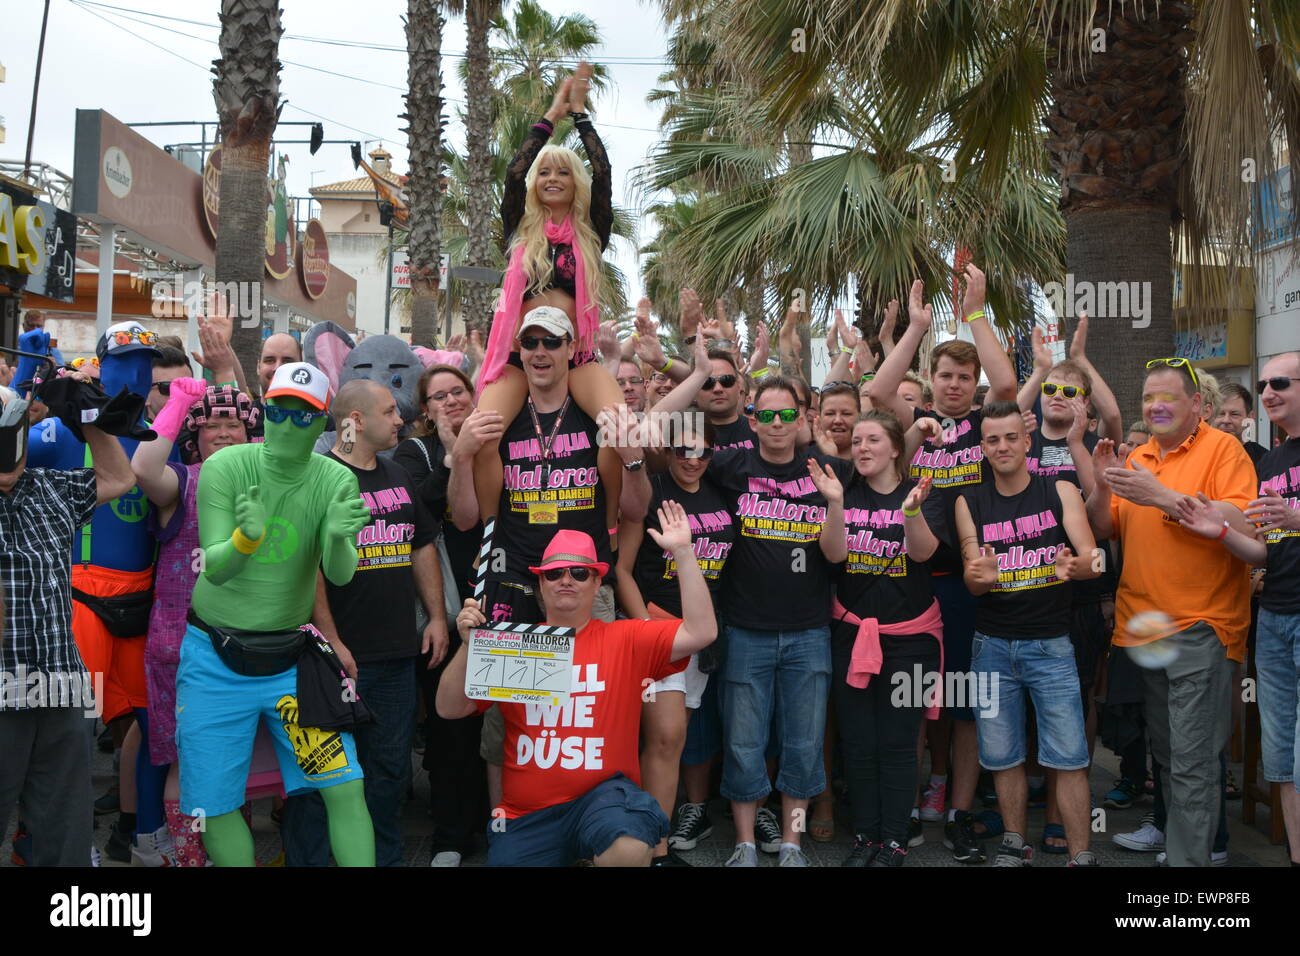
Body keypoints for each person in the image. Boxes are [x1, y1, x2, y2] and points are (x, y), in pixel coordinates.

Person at [176, 361, 375, 866]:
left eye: (305, 416)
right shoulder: (227, 467)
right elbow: (215, 570)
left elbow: (342, 572)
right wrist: (246, 537)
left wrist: (333, 536)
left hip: (291, 661)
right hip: (214, 658)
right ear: (265, 410)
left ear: (324, 420)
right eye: (279, 411)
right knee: (217, 805)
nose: (289, 424)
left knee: (345, 786)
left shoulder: (336, 479)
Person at [436, 522, 718, 867]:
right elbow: (448, 709)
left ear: (598, 582)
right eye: (554, 573)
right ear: (541, 582)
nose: (566, 580)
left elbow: (702, 631)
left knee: (629, 846)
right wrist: (469, 647)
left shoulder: (625, 639)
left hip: (605, 801)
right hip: (527, 814)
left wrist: (684, 553)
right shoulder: (513, 646)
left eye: (579, 572)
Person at [869, 265, 1017, 863]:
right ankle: (911, 799)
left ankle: (958, 811)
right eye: (945, 375)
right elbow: (878, 394)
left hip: (970, 587)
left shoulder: (986, 427)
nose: (955, 385)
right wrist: (917, 328)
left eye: (964, 376)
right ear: (930, 380)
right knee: (913, 698)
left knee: (964, 703)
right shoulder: (918, 426)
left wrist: (977, 311)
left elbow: (1008, 385)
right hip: (913, 582)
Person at [1086, 357, 1256, 867]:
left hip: (1202, 627)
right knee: (1169, 759)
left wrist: (1161, 495)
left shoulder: (1222, 449)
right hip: (1143, 631)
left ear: (1198, 405)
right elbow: (1104, 527)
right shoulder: (1138, 455)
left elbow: (1239, 519)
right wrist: (1100, 483)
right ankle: (1189, 855)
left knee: (1192, 762)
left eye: (1168, 398)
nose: (1155, 406)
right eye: (1147, 399)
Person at [279, 379, 450, 867]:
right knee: (319, 775)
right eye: (390, 412)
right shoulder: (316, 477)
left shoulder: (397, 475)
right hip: (329, 659)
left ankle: (383, 860)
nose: (401, 419)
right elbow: (307, 565)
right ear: (355, 421)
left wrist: (436, 616)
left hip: (396, 656)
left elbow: (420, 544)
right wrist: (331, 640)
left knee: (389, 770)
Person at [27, 322, 170, 866]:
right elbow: (6, 445)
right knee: (72, 731)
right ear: (103, 363)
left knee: (147, 722)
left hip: (143, 600)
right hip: (80, 597)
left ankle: (138, 831)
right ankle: (53, 842)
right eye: (125, 358)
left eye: (144, 360)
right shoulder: (62, 428)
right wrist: (29, 380)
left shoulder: (160, 430)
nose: (135, 370)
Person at [707, 374, 851, 867]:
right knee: (744, 743)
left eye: (787, 414)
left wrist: (834, 503)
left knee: (804, 744)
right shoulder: (728, 465)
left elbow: (836, 557)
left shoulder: (828, 469)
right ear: (751, 420)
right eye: (766, 414)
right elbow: (672, 459)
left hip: (810, 630)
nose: (776, 424)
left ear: (803, 418)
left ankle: (791, 842)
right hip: (745, 628)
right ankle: (745, 842)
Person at [472, 63, 625, 527]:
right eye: (545, 173)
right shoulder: (519, 232)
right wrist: (548, 119)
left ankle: (611, 526)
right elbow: (513, 176)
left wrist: (579, 117)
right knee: (481, 436)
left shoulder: (591, 234)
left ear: (574, 182)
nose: (551, 178)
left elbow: (603, 169)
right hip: (524, 354)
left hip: (575, 355)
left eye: (562, 172)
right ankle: (491, 530)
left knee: (618, 431)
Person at [955, 400, 1101, 866]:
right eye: (992, 439)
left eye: (1010, 437)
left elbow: (1093, 559)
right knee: (1002, 756)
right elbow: (971, 579)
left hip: (1051, 644)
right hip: (991, 645)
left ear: (1027, 441)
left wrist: (1074, 566)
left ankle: (1082, 855)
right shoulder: (969, 501)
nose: (1002, 446)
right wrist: (981, 574)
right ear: (982, 447)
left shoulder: (1060, 489)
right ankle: (1015, 845)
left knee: (1070, 756)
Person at [0, 385, 136, 866]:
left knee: (64, 833)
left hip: (59, 686)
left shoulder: (48, 488)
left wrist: (92, 419)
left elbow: (119, 478)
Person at [130, 369, 258, 866]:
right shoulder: (181, 481)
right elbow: (143, 469)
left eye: (234, 425)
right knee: (185, 754)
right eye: (211, 425)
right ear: (195, 435)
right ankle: (189, 857)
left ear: (252, 435)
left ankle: (230, 855)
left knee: (235, 759)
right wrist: (180, 401)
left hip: (245, 641)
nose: (223, 433)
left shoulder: (264, 483)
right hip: (180, 643)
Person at [615, 419, 734, 865]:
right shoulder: (653, 489)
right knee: (666, 738)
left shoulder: (721, 491)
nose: (692, 458)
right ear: (666, 449)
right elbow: (622, 569)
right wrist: (646, 628)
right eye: (682, 448)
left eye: (702, 451)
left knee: (671, 743)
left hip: (701, 635)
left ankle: (653, 840)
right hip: (658, 630)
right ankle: (655, 846)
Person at [834, 411, 943, 866]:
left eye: (873, 440)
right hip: (851, 635)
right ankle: (866, 837)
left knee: (899, 744)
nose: (861, 448)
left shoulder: (921, 492)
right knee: (858, 742)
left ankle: (894, 840)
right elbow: (833, 554)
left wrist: (911, 512)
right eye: (856, 440)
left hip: (912, 638)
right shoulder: (841, 490)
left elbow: (923, 553)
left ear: (896, 448)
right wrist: (833, 504)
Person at [394, 363, 488, 866]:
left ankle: (492, 818)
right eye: (439, 396)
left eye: (459, 391)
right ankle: (451, 832)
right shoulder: (416, 452)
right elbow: (414, 514)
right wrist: (454, 457)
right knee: (451, 727)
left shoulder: (497, 437)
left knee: (496, 722)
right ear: (425, 409)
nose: (451, 401)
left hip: (497, 595)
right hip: (442, 609)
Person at [1234, 353, 1300, 865]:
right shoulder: (1271, 463)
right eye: (1263, 385)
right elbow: (1264, 548)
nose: (1269, 392)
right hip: (1273, 617)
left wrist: (1295, 516)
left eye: (1280, 382)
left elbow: (1290, 522)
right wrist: (1214, 527)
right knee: (1279, 757)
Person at [1215, 381, 1269, 469]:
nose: (1226, 420)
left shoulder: (1265, 461)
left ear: (1250, 417)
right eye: (1220, 413)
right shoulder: (1199, 454)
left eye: (1234, 414)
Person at [149, 347, 195, 421]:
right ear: (146, 395)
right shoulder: (129, 430)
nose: (180, 395)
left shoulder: (205, 428)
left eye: (186, 386)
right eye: (167, 387)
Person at [257, 333, 303, 399]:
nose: (277, 368)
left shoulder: (316, 409)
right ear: (258, 367)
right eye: (270, 360)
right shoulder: (243, 408)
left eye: (287, 361)